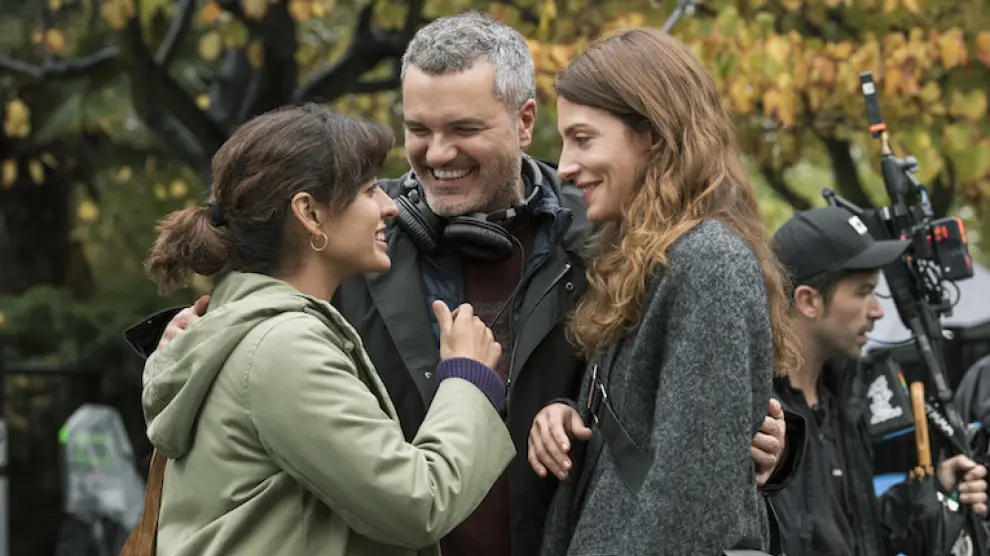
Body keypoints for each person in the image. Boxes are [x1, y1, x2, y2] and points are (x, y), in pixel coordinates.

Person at [124, 13, 801, 556]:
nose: (438, 153)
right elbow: (252, 341)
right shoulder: (351, 241)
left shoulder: (610, 232)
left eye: (464, 129)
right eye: (419, 130)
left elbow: (683, 398)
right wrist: (176, 340)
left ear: (524, 122)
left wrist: (768, 439)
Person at [136, 104, 514, 556]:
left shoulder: (240, 329)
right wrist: (467, 379)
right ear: (310, 214)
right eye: (369, 190)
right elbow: (417, 504)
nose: (390, 206)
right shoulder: (283, 348)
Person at [524, 28, 800, 555]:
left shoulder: (708, 264)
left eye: (583, 138)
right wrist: (570, 413)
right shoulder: (645, 261)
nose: (566, 165)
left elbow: (692, 505)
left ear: (651, 135)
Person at [770, 205, 989, 556]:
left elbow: (858, 535)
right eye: (863, 292)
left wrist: (932, 490)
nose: (878, 310)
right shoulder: (762, 413)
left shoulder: (844, 398)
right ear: (808, 301)